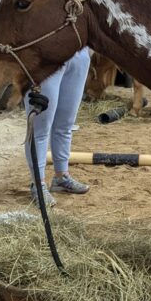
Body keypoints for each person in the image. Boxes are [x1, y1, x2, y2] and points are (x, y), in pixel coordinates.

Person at [25, 46, 91, 207]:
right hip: (45, 54)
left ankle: (61, 177)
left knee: (65, 124)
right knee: (40, 128)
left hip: (77, 53)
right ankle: (38, 185)